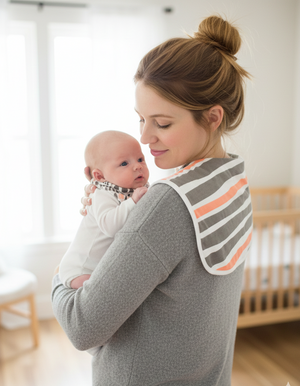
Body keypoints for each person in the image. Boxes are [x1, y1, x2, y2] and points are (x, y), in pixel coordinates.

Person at [52, 15, 253, 386]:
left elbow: (82, 326)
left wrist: (62, 274)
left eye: (161, 123)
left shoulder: (167, 205)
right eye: (141, 119)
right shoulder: (232, 179)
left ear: (212, 117)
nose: (144, 137)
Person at [59, 130, 149, 290]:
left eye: (140, 159)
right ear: (100, 177)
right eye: (124, 163)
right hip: (81, 268)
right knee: (100, 290)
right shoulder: (102, 193)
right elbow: (110, 227)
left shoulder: (135, 189)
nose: (137, 166)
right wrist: (133, 201)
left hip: (102, 267)